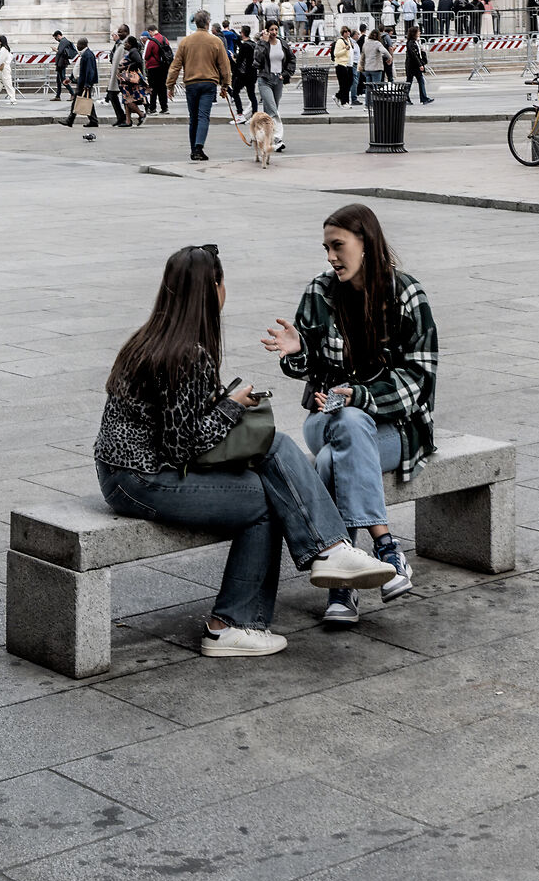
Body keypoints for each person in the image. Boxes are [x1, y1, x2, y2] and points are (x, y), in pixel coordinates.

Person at [95, 243, 392, 657]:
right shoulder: (186, 353)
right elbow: (183, 446)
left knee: (269, 464)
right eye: (222, 282)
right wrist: (232, 407)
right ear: (213, 288)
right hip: (141, 480)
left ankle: (324, 555)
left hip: (124, 473)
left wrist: (225, 402)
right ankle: (237, 619)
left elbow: (177, 424)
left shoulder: (152, 338)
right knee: (265, 496)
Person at [264, 202, 435, 625]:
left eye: (338, 246)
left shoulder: (406, 295)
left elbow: (419, 380)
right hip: (325, 419)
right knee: (345, 423)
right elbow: (305, 367)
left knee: (331, 458)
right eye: (326, 248)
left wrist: (360, 396)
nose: (331, 257)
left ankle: (343, 585)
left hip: (395, 429)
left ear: (366, 243)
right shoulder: (320, 292)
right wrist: (298, 351)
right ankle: (387, 548)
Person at [168, 9, 233, 161]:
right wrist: (225, 84)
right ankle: (198, 147)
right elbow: (225, 66)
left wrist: (170, 85)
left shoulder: (185, 42)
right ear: (208, 23)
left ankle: (193, 150)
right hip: (208, 83)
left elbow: (175, 66)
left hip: (191, 83)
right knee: (203, 116)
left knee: (193, 118)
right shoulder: (215, 41)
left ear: (195, 23)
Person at [254, 21, 292, 151]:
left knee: (269, 112)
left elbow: (292, 59)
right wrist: (264, 43)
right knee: (273, 111)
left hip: (278, 80)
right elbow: (257, 61)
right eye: (271, 29)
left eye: (276, 29)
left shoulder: (283, 43)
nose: (274, 32)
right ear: (266, 31)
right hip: (265, 79)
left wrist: (286, 74)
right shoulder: (261, 44)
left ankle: (261, 135)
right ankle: (277, 139)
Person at [66, 37, 100, 131]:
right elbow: (79, 68)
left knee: (78, 100)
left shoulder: (88, 55)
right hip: (82, 82)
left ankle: (70, 120)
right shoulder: (84, 54)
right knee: (86, 100)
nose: (77, 46)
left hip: (85, 82)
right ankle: (93, 120)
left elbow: (90, 71)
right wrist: (71, 78)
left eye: (78, 44)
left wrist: (87, 84)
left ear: (83, 45)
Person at [144, 24, 173, 119]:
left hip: (153, 67)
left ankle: (152, 108)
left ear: (150, 31)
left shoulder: (151, 41)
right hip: (163, 67)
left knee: (153, 88)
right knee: (162, 87)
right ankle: (164, 107)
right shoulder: (165, 39)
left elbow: (146, 56)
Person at [403, 20, 434, 105]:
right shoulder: (411, 43)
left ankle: (422, 98)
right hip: (413, 66)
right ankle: (413, 98)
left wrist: (422, 53)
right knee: (411, 82)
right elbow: (414, 55)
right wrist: (420, 65)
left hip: (414, 65)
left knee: (418, 81)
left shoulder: (416, 42)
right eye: (418, 32)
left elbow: (418, 54)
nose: (419, 33)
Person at [332, 22, 355, 105]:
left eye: (348, 31)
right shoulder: (340, 41)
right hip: (341, 64)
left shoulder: (349, 41)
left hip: (349, 65)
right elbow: (336, 54)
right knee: (344, 84)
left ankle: (338, 96)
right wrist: (345, 49)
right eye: (346, 31)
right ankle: (344, 102)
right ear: (343, 33)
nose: (347, 33)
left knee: (349, 82)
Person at [52, 29, 75, 101]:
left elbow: (60, 52)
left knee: (63, 79)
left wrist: (55, 50)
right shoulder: (64, 41)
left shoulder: (63, 41)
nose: (56, 40)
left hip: (62, 63)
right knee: (58, 80)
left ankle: (72, 93)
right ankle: (58, 96)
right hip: (61, 63)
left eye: (56, 38)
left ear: (58, 36)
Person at [0, 33, 16, 103]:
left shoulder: (3, 49)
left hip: (4, 68)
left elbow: (1, 59)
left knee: (7, 83)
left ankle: (12, 98)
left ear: (1, 41)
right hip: (4, 68)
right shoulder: (5, 48)